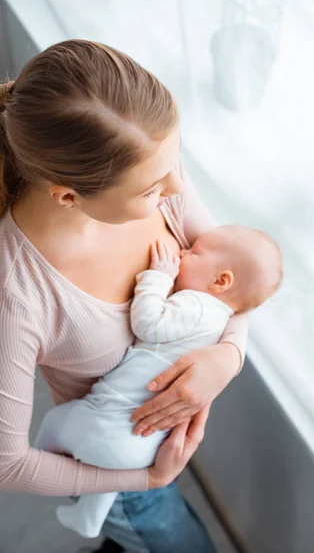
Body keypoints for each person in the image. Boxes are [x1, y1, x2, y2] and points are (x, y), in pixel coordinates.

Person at [0, 40, 249, 553]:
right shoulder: (17, 296)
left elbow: (237, 275)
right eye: (152, 189)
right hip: (116, 473)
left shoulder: (152, 168)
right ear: (68, 196)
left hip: (159, 440)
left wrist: (228, 356)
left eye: (174, 163)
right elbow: (8, 463)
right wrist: (149, 480)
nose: (177, 186)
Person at [35, 228, 282, 538]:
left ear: (221, 281)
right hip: (141, 447)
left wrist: (159, 277)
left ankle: (45, 454)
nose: (181, 253)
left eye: (193, 253)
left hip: (105, 430)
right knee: (112, 473)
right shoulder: (220, 322)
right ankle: (89, 516)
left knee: (55, 421)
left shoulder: (196, 305)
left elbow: (148, 323)